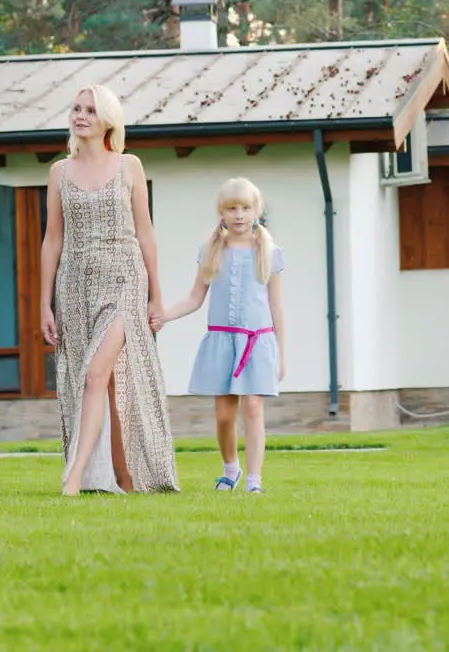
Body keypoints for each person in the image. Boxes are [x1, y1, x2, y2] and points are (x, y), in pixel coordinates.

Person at [40, 84, 180, 496]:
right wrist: (44, 304)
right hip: (75, 285)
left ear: (108, 120)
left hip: (124, 279)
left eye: (90, 110)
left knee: (96, 373)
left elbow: (146, 232)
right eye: (76, 108)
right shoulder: (58, 173)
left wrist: (156, 295)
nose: (80, 115)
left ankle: (75, 476)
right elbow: (52, 239)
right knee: (107, 383)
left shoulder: (129, 166)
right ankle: (124, 478)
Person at [163, 178, 285, 494]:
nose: (239, 215)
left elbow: (276, 306)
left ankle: (255, 481)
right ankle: (232, 469)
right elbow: (194, 298)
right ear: (223, 212)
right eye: (232, 208)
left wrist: (282, 354)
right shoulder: (211, 252)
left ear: (256, 211)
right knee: (224, 416)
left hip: (257, 342)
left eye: (246, 208)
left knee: (254, 409)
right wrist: (164, 315)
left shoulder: (268, 252)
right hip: (222, 342)